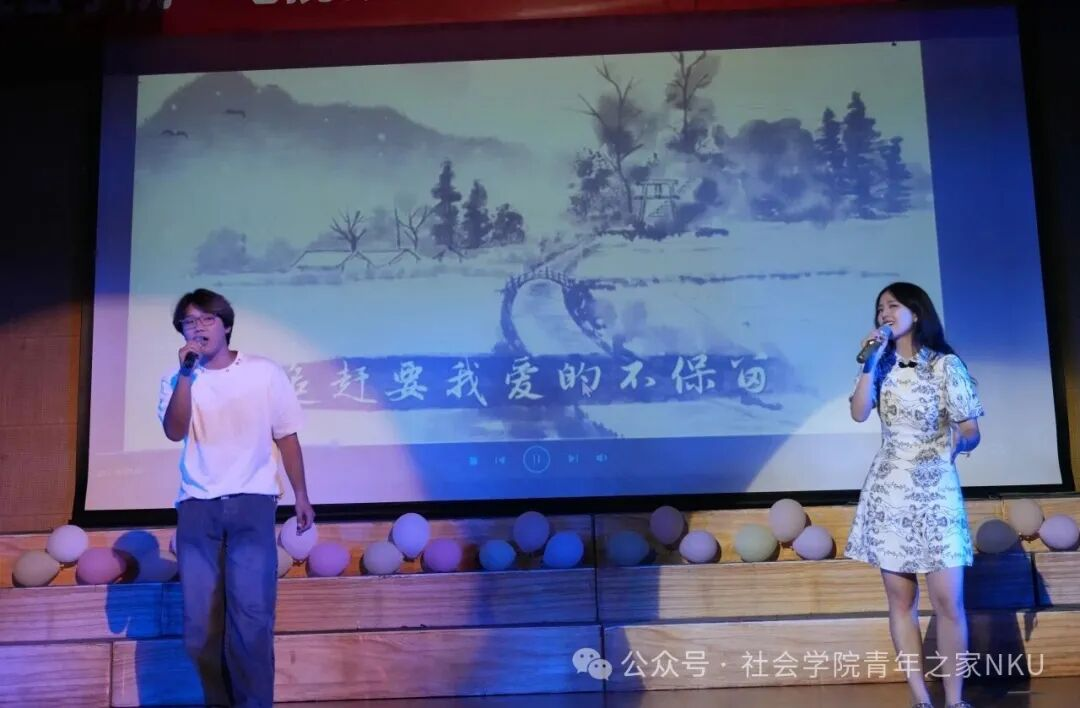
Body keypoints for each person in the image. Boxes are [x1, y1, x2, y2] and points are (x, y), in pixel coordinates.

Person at [159, 288, 315, 707]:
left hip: (252, 503)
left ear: (226, 325)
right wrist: (186, 376)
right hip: (197, 508)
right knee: (199, 629)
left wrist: (301, 494)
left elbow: (286, 435)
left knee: (251, 620)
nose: (198, 328)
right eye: (189, 322)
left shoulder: (263, 372)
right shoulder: (177, 379)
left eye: (207, 319)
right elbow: (174, 431)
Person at [845, 282, 983, 708]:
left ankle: (955, 700)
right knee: (901, 600)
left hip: (936, 491)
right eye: (879, 308)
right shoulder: (879, 363)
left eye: (893, 305)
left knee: (949, 601)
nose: (884, 313)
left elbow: (971, 430)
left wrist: (956, 443)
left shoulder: (945, 365)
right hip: (890, 492)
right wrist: (869, 363)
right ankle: (921, 698)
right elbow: (859, 412)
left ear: (916, 312)